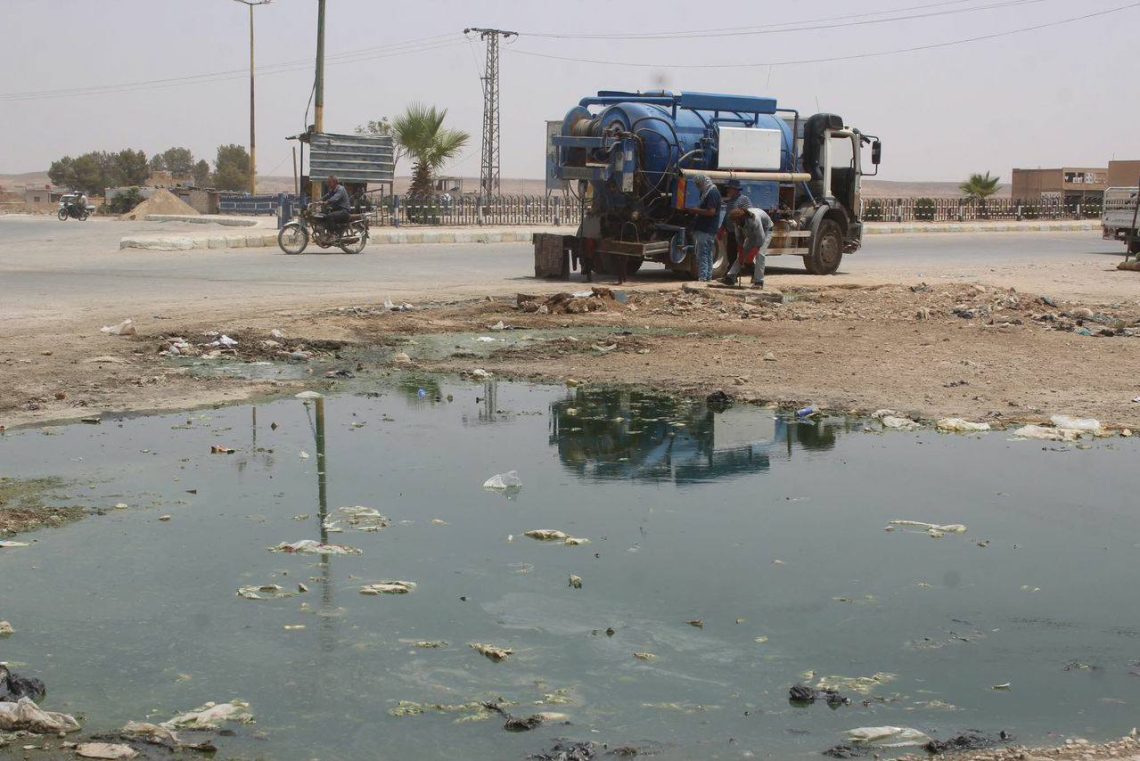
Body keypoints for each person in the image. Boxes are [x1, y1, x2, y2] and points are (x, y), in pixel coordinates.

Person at [723, 200, 773, 289]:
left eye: (735, 221)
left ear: (740, 218)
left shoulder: (754, 220)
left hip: (766, 231)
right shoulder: (737, 222)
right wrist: (741, 250)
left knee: (760, 255)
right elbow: (739, 237)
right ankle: (730, 277)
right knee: (741, 255)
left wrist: (752, 253)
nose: (734, 223)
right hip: (753, 234)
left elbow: (760, 238)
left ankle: (759, 281)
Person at [685, 174, 721, 282]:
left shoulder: (712, 193)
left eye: (698, 184)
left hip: (707, 229)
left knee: (702, 254)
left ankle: (703, 278)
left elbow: (711, 212)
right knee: (707, 253)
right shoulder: (705, 192)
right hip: (704, 228)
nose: (697, 186)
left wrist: (695, 210)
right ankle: (707, 276)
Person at [720, 179, 750, 273]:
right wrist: (723, 226)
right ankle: (731, 273)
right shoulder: (730, 201)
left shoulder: (744, 199)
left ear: (736, 189)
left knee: (742, 253)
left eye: (730, 188)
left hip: (740, 231)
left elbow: (748, 213)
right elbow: (727, 215)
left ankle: (750, 272)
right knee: (731, 253)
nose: (728, 190)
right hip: (731, 231)